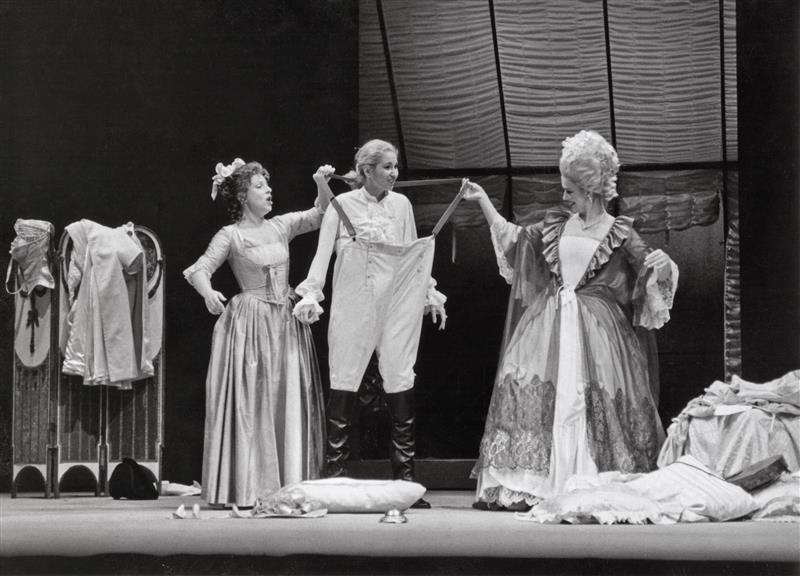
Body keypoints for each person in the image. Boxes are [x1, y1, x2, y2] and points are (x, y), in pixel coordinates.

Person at [465, 130, 678, 510]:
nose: (564, 197)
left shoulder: (620, 231)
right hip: (547, 325)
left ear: (590, 190)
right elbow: (515, 241)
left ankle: (587, 477)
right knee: (533, 391)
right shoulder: (556, 224)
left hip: (598, 332)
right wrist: (484, 202)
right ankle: (533, 483)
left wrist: (664, 266)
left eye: (570, 191)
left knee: (584, 398)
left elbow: (649, 272)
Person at [292, 139, 447, 509]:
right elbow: (322, 255)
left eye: (395, 166)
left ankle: (405, 482)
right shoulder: (342, 205)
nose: (394, 173)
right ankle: (334, 478)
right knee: (344, 376)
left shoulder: (402, 205)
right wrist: (311, 293)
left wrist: (428, 292)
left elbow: (411, 253)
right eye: (387, 167)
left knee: (400, 374)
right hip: (355, 297)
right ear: (366, 171)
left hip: (397, 298)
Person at [184, 158, 333, 507]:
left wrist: (321, 183)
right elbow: (199, 269)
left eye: (268, 185)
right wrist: (208, 292)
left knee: (286, 397)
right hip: (250, 324)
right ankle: (249, 486)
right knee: (252, 401)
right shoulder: (230, 235)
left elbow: (321, 214)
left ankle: (290, 483)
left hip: (285, 322)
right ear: (242, 195)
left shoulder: (281, 226)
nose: (268, 191)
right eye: (260, 186)